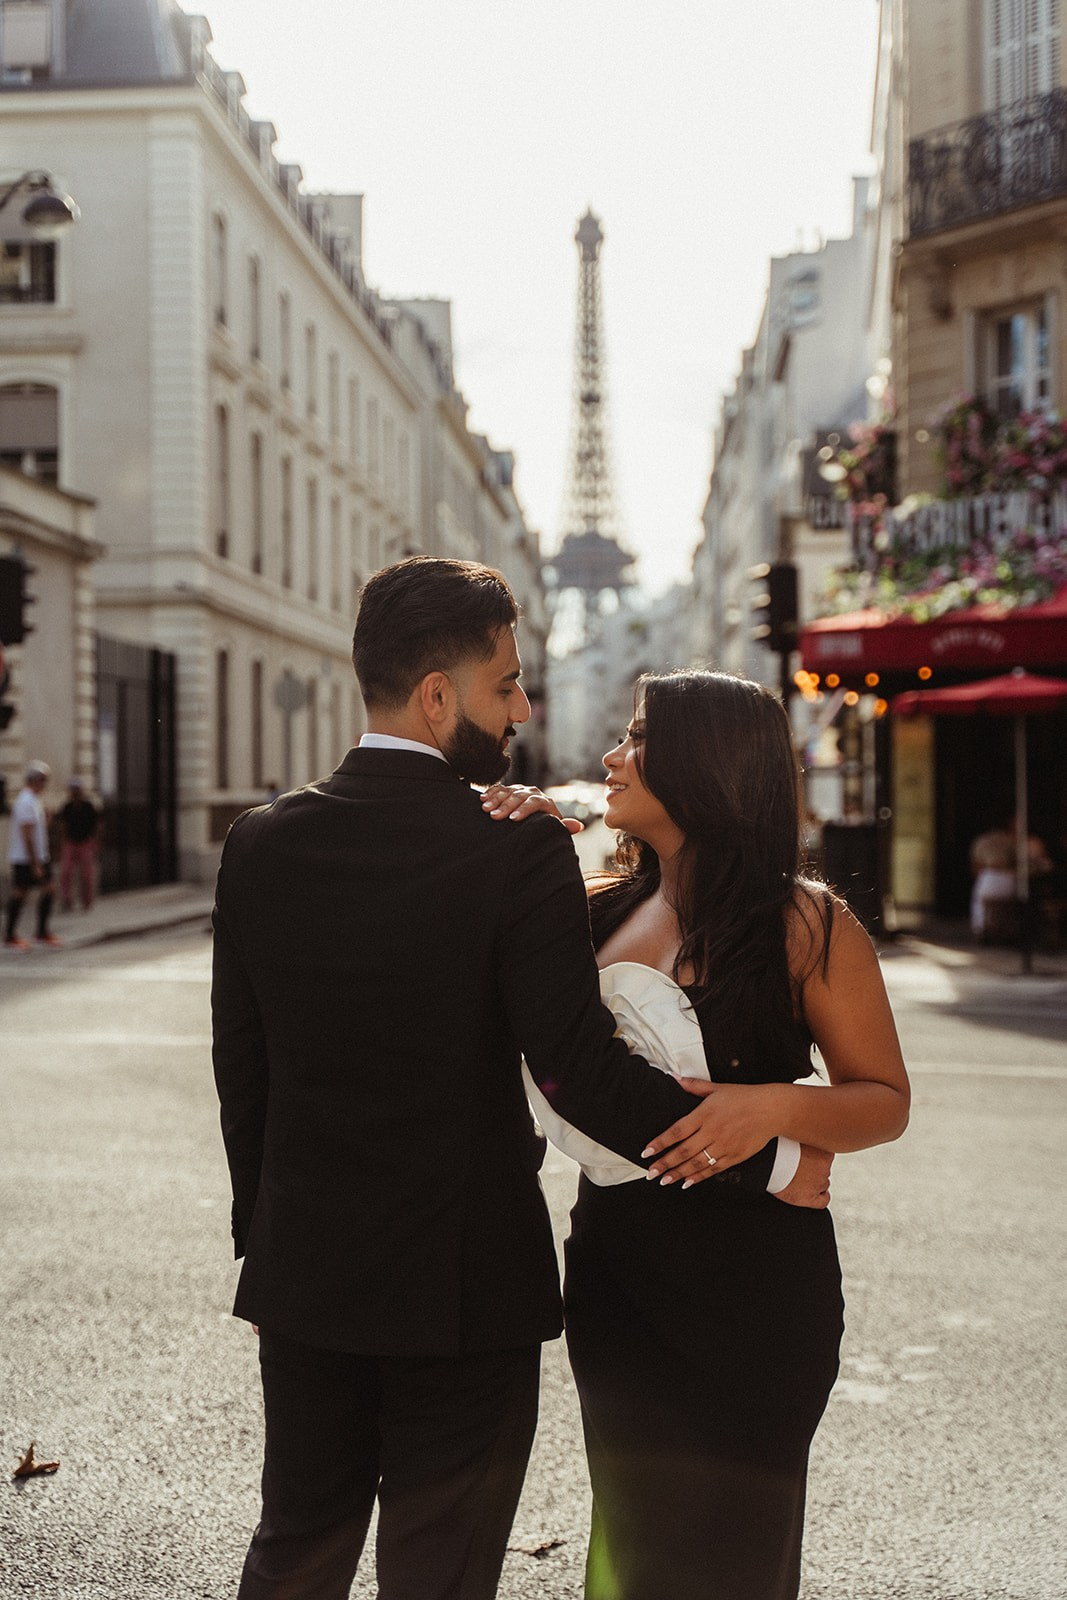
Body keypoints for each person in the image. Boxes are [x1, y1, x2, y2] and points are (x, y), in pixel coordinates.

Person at [211, 561, 829, 1600]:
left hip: (306, 1273)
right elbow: (579, 1070)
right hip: (465, 1292)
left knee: (294, 1549)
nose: (523, 707)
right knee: (437, 1573)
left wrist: (264, 1237)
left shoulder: (260, 841)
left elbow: (246, 1073)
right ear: (438, 695)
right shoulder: (515, 849)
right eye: (505, 684)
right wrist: (761, 1158)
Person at [483, 669, 910, 1600]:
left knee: (738, 1557)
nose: (610, 757)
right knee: (632, 1547)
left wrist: (773, 1108)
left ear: (708, 764)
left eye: (637, 737)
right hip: (617, 1275)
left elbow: (882, 1100)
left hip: (757, 1293)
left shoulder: (806, 922)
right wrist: (508, 823)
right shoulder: (589, 905)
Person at [4, 759, 60, 950]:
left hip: (35, 857)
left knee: (39, 890)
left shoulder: (33, 800)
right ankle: (14, 935)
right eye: (43, 780)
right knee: (22, 892)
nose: (44, 784)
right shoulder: (26, 801)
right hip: (27, 858)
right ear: (34, 780)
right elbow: (27, 835)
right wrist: (35, 863)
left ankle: (36, 932)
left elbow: (35, 830)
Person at [58, 776, 100, 911]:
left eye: (76, 789)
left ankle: (87, 900)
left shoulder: (88, 806)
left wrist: (95, 841)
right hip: (70, 842)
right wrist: (64, 840)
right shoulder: (67, 806)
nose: (74, 792)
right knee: (66, 871)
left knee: (87, 873)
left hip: (85, 842)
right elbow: (63, 825)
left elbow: (97, 825)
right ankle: (67, 899)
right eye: (72, 789)